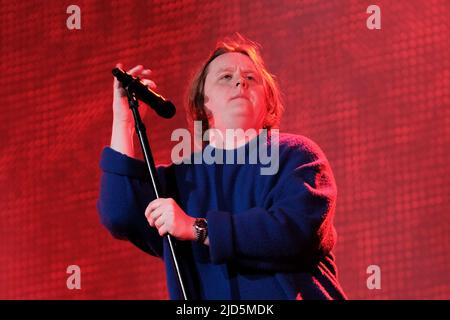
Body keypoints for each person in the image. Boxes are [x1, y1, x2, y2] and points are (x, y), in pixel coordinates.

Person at [97, 34, 347, 300]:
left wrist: (196, 228)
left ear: (268, 100)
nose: (240, 81)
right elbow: (119, 213)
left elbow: (294, 231)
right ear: (203, 102)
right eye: (225, 77)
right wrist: (123, 120)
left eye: (251, 78)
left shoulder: (296, 155)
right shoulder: (180, 180)